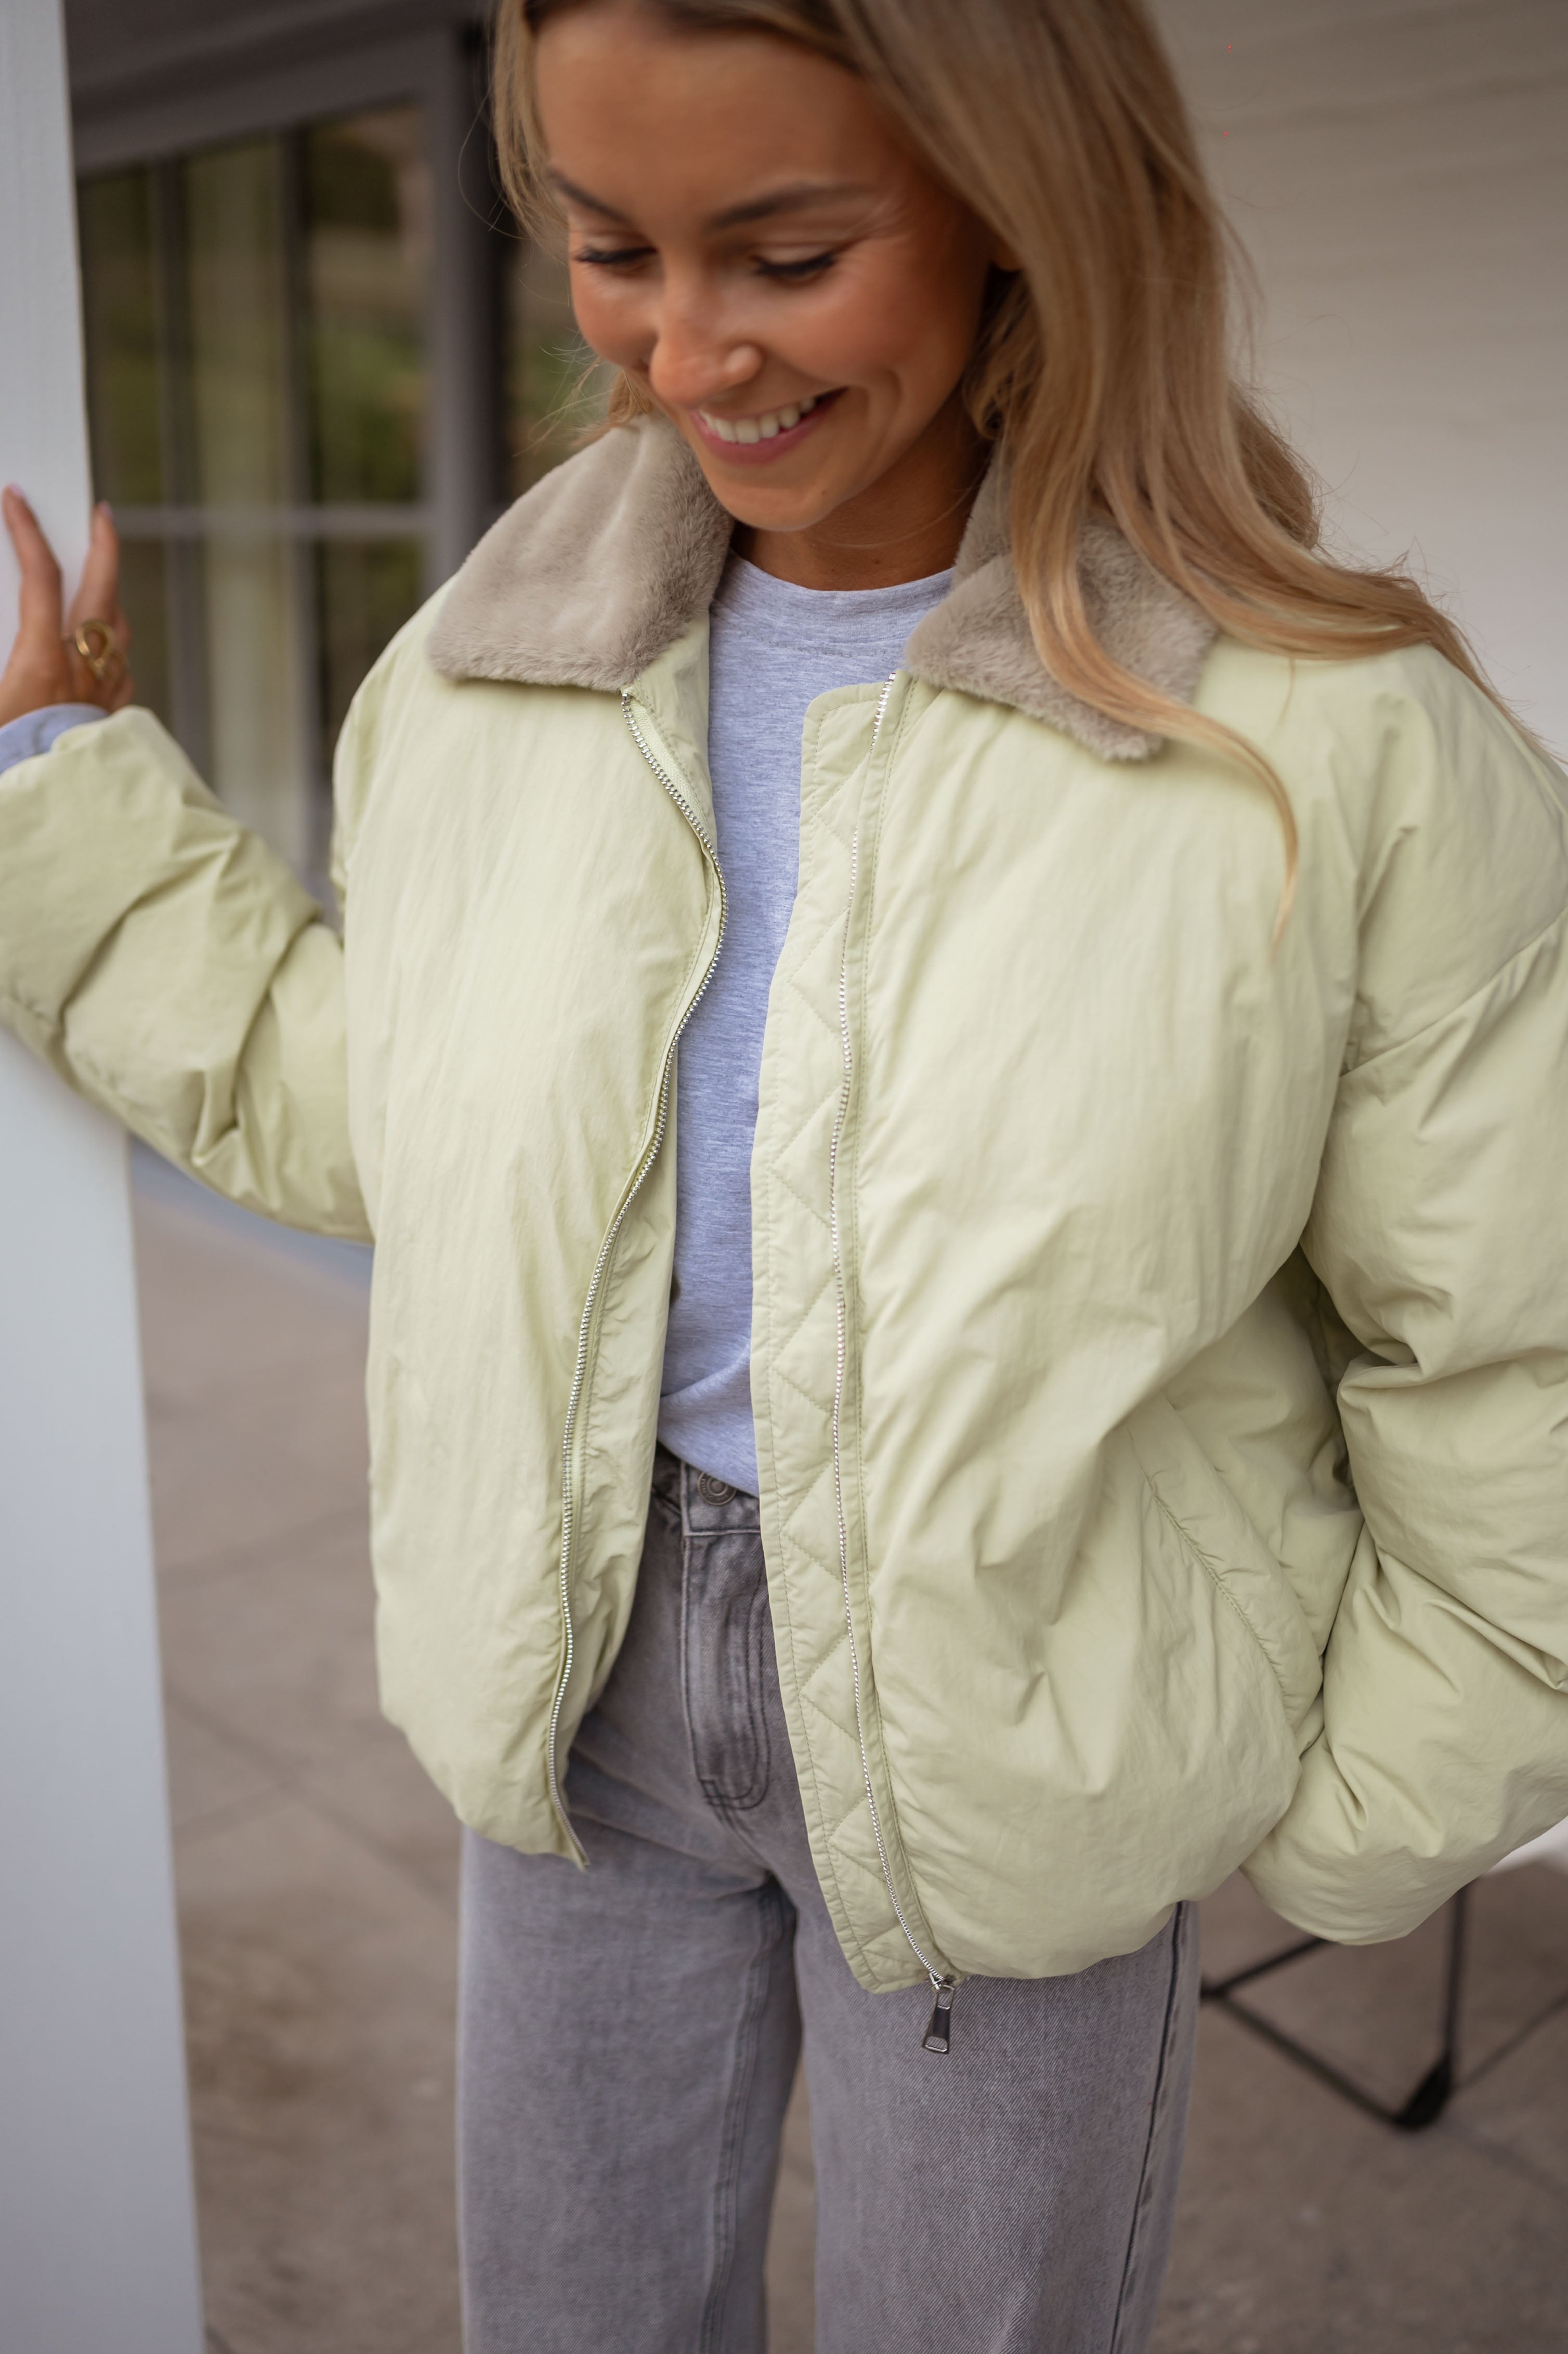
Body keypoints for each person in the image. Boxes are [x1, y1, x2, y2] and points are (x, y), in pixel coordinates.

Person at [3, 1, 1566, 2346]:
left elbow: (1508, 1346)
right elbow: (382, 1111)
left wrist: (1366, 1805)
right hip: (585, 1689)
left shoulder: (1337, 749)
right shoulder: (481, 676)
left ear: (1020, 211)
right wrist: (58, 779)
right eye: (610, 246)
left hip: (1018, 1736)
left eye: (787, 249)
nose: (685, 345)